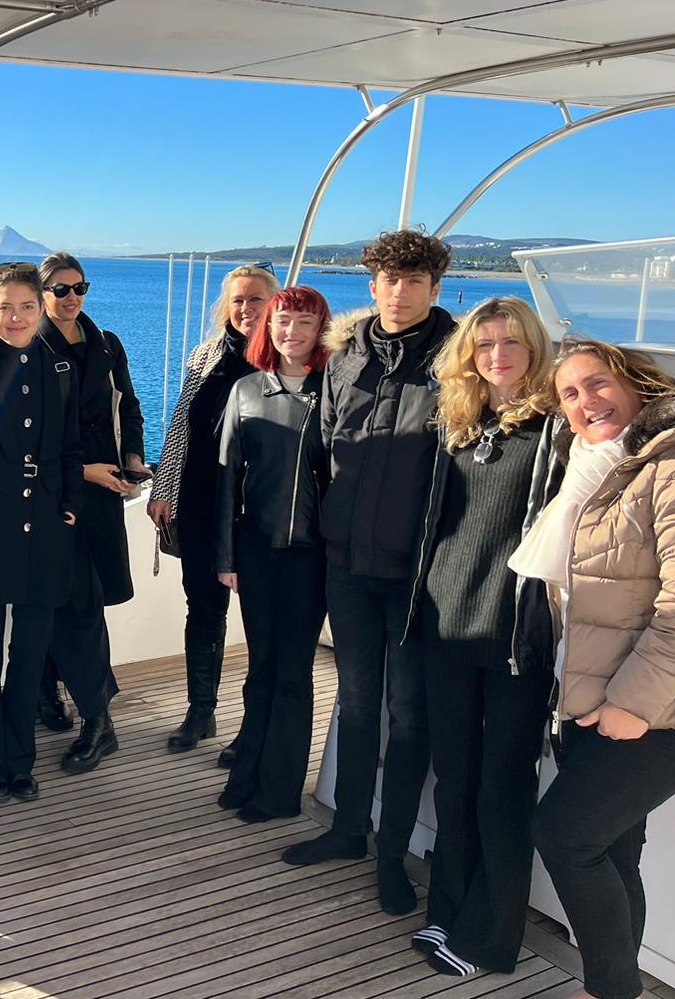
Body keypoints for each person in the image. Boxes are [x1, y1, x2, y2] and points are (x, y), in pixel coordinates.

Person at [282, 229, 455, 918]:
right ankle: (349, 830)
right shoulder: (347, 356)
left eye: (415, 281)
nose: (401, 292)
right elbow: (324, 449)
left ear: (436, 288)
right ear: (372, 285)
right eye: (391, 279)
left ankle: (392, 857)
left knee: (408, 718)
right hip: (347, 564)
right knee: (357, 704)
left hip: (417, 575)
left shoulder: (459, 363)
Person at [519, 341, 675, 999]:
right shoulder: (597, 470)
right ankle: (615, 988)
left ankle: (609, 989)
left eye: (598, 383)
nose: (586, 401)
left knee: (564, 836)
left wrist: (631, 704)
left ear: (638, 383)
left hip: (654, 711)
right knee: (612, 850)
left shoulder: (672, 464)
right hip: (591, 700)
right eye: (570, 393)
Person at [404, 297, 559, 978]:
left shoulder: (557, 430)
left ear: (534, 349)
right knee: (455, 781)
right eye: (485, 343)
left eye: (511, 342)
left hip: (515, 634)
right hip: (445, 623)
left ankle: (490, 940)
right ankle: (446, 912)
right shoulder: (459, 424)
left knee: (503, 789)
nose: (497, 355)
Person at [0, 262, 82, 803]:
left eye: (28, 307)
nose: (18, 318)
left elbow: (71, 448)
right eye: (7, 307)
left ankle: (20, 760)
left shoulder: (61, 371)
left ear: (41, 307)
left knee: (29, 654)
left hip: (44, 535)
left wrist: (70, 508)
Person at [146, 265, 279, 755]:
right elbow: (181, 425)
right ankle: (200, 713)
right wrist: (164, 488)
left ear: (274, 302)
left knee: (262, 619)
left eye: (257, 299)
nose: (247, 309)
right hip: (202, 502)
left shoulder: (286, 359)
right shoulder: (205, 355)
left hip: (258, 509)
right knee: (203, 610)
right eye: (238, 300)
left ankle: (254, 728)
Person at [213, 285, 331, 822]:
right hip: (256, 551)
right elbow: (226, 480)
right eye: (283, 321)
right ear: (268, 327)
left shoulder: (334, 391)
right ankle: (246, 776)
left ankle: (279, 792)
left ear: (321, 330)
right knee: (260, 668)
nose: (292, 332)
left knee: (292, 673)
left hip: (312, 555)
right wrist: (226, 557)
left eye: (305, 322)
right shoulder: (246, 390)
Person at [37, 252, 146, 773]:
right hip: (55, 494)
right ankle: (90, 713)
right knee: (64, 601)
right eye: (60, 289)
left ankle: (81, 709)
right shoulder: (29, 346)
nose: (72, 297)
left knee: (80, 602)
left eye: (79, 287)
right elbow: (26, 435)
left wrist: (134, 459)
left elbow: (129, 406)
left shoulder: (106, 343)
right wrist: (84, 472)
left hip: (103, 494)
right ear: (41, 293)